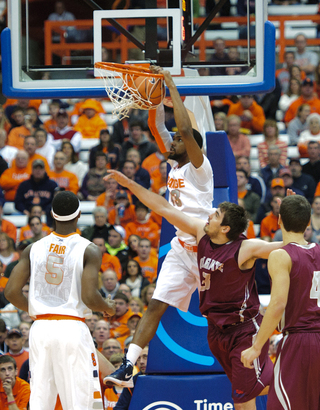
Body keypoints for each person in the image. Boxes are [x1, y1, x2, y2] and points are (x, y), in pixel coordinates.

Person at [103, 169, 289, 410]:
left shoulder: (246, 248)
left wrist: (289, 220)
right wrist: (129, 184)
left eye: (216, 215)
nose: (210, 215)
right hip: (216, 331)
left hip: (243, 328)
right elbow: (163, 208)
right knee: (245, 391)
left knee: (242, 400)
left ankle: (293, 379)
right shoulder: (201, 232)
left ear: (225, 229)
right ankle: (288, 378)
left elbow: (286, 247)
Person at [105, 65, 214, 388]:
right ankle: (127, 365)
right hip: (182, 248)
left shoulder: (200, 167)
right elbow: (158, 125)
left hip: (209, 247)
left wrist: (169, 83)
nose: (174, 139)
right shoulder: (174, 163)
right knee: (155, 303)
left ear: (191, 145)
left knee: (223, 312)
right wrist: (151, 94)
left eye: (179, 139)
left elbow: (182, 125)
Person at [4, 190, 116, 409]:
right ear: (79, 215)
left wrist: (37, 309)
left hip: (40, 328)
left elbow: (10, 292)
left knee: (41, 399)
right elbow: (90, 297)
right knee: (79, 400)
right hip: (71, 327)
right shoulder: (89, 249)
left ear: (52, 215)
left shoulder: (33, 248)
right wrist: (108, 306)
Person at [241, 195, 320, 410]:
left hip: (298, 342)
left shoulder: (280, 255)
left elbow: (277, 305)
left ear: (279, 221)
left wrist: (256, 347)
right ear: (307, 223)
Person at [14, 159, 58, 225]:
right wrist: (25, 211)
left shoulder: (52, 185)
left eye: (40, 168)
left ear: (44, 170)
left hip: (46, 213)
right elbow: (18, 201)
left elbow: (55, 202)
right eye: (35, 168)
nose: (38, 171)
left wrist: (45, 211)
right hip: (26, 213)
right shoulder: (24, 185)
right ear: (32, 170)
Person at [114, 346, 149, 410]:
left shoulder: (165, 379)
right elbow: (119, 408)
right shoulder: (131, 382)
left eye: (145, 357)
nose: (141, 361)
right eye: (138, 358)